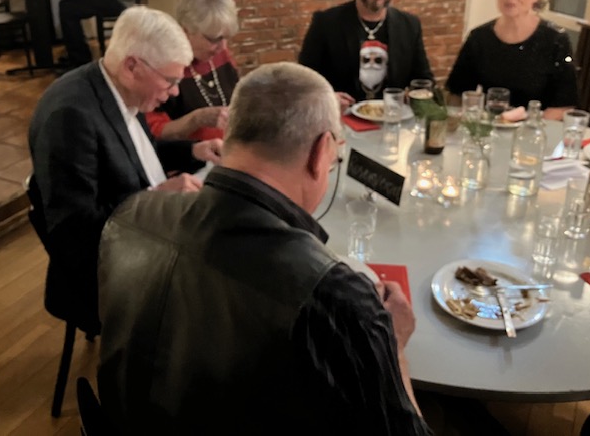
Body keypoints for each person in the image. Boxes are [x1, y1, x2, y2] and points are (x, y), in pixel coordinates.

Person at [97, 61, 432, 435]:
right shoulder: (334, 296)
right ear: (321, 151)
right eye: (335, 158)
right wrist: (393, 348)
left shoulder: (129, 215)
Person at [29, 6, 223, 335]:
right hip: (105, 269)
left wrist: (193, 150)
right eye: (170, 80)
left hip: (142, 233)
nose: (175, 91)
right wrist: (154, 199)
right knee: (217, 283)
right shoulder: (70, 117)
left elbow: (134, 153)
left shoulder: (117, 88)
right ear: (132, 66)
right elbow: (74, 230)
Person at [298, 0, 434, 111]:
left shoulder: (409, 25)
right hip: (339, 120)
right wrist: (328, 99)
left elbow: (424, 81)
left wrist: (415, 97)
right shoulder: (326, 23)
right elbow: (302, 81)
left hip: (392, 120)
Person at [446, 0, 578, 120]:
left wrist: (529, 126)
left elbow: (564, 105)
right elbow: (458, 93)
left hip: (535, 128)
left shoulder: (555, 40)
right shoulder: (479, 37)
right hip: (489, 126)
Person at [146, 0, 239, 141]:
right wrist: (197, 119)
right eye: (214, 39)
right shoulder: (164, 66)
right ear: (185, 31)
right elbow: (154, 132)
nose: (223, 46)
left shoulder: (219, 55)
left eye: (225, 38)